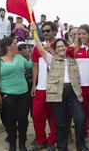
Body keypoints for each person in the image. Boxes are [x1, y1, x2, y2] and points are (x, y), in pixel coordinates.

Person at [31, 23, 89, 151]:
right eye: (58, 47)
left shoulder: (73, 58)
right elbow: (40, 48)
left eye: (63, 46)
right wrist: (35, 33)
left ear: (67, 47)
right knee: (61, 123)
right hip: (58, 95)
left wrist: (76, 32)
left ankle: (81, 145)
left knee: (80, 119)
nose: (61, 48)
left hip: (73, 93)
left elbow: (77, 42)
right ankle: (62, 148)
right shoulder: (51, 60)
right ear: (55, 50)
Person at [0, 36, 32, 151]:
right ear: (8, 46)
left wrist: (36, 55)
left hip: (23, 94)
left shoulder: (20, 58)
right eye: (15, 43)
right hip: (7, 96)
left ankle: (22, 142)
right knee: (9, 121)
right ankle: (12, 144)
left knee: (23, 119)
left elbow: (31, 66)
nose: (18, 46)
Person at [30, 21, 57, 151]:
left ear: (54, 32)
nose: (45, 33)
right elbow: (35, 66)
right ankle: (41, 140)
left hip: (56, 88)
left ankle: (53, 141)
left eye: (48, 31)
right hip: (41, 87)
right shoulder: (37, 48)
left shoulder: (60, 45)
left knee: (55, 116)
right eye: (44, 31)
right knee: (36, 114)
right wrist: (34, 85)